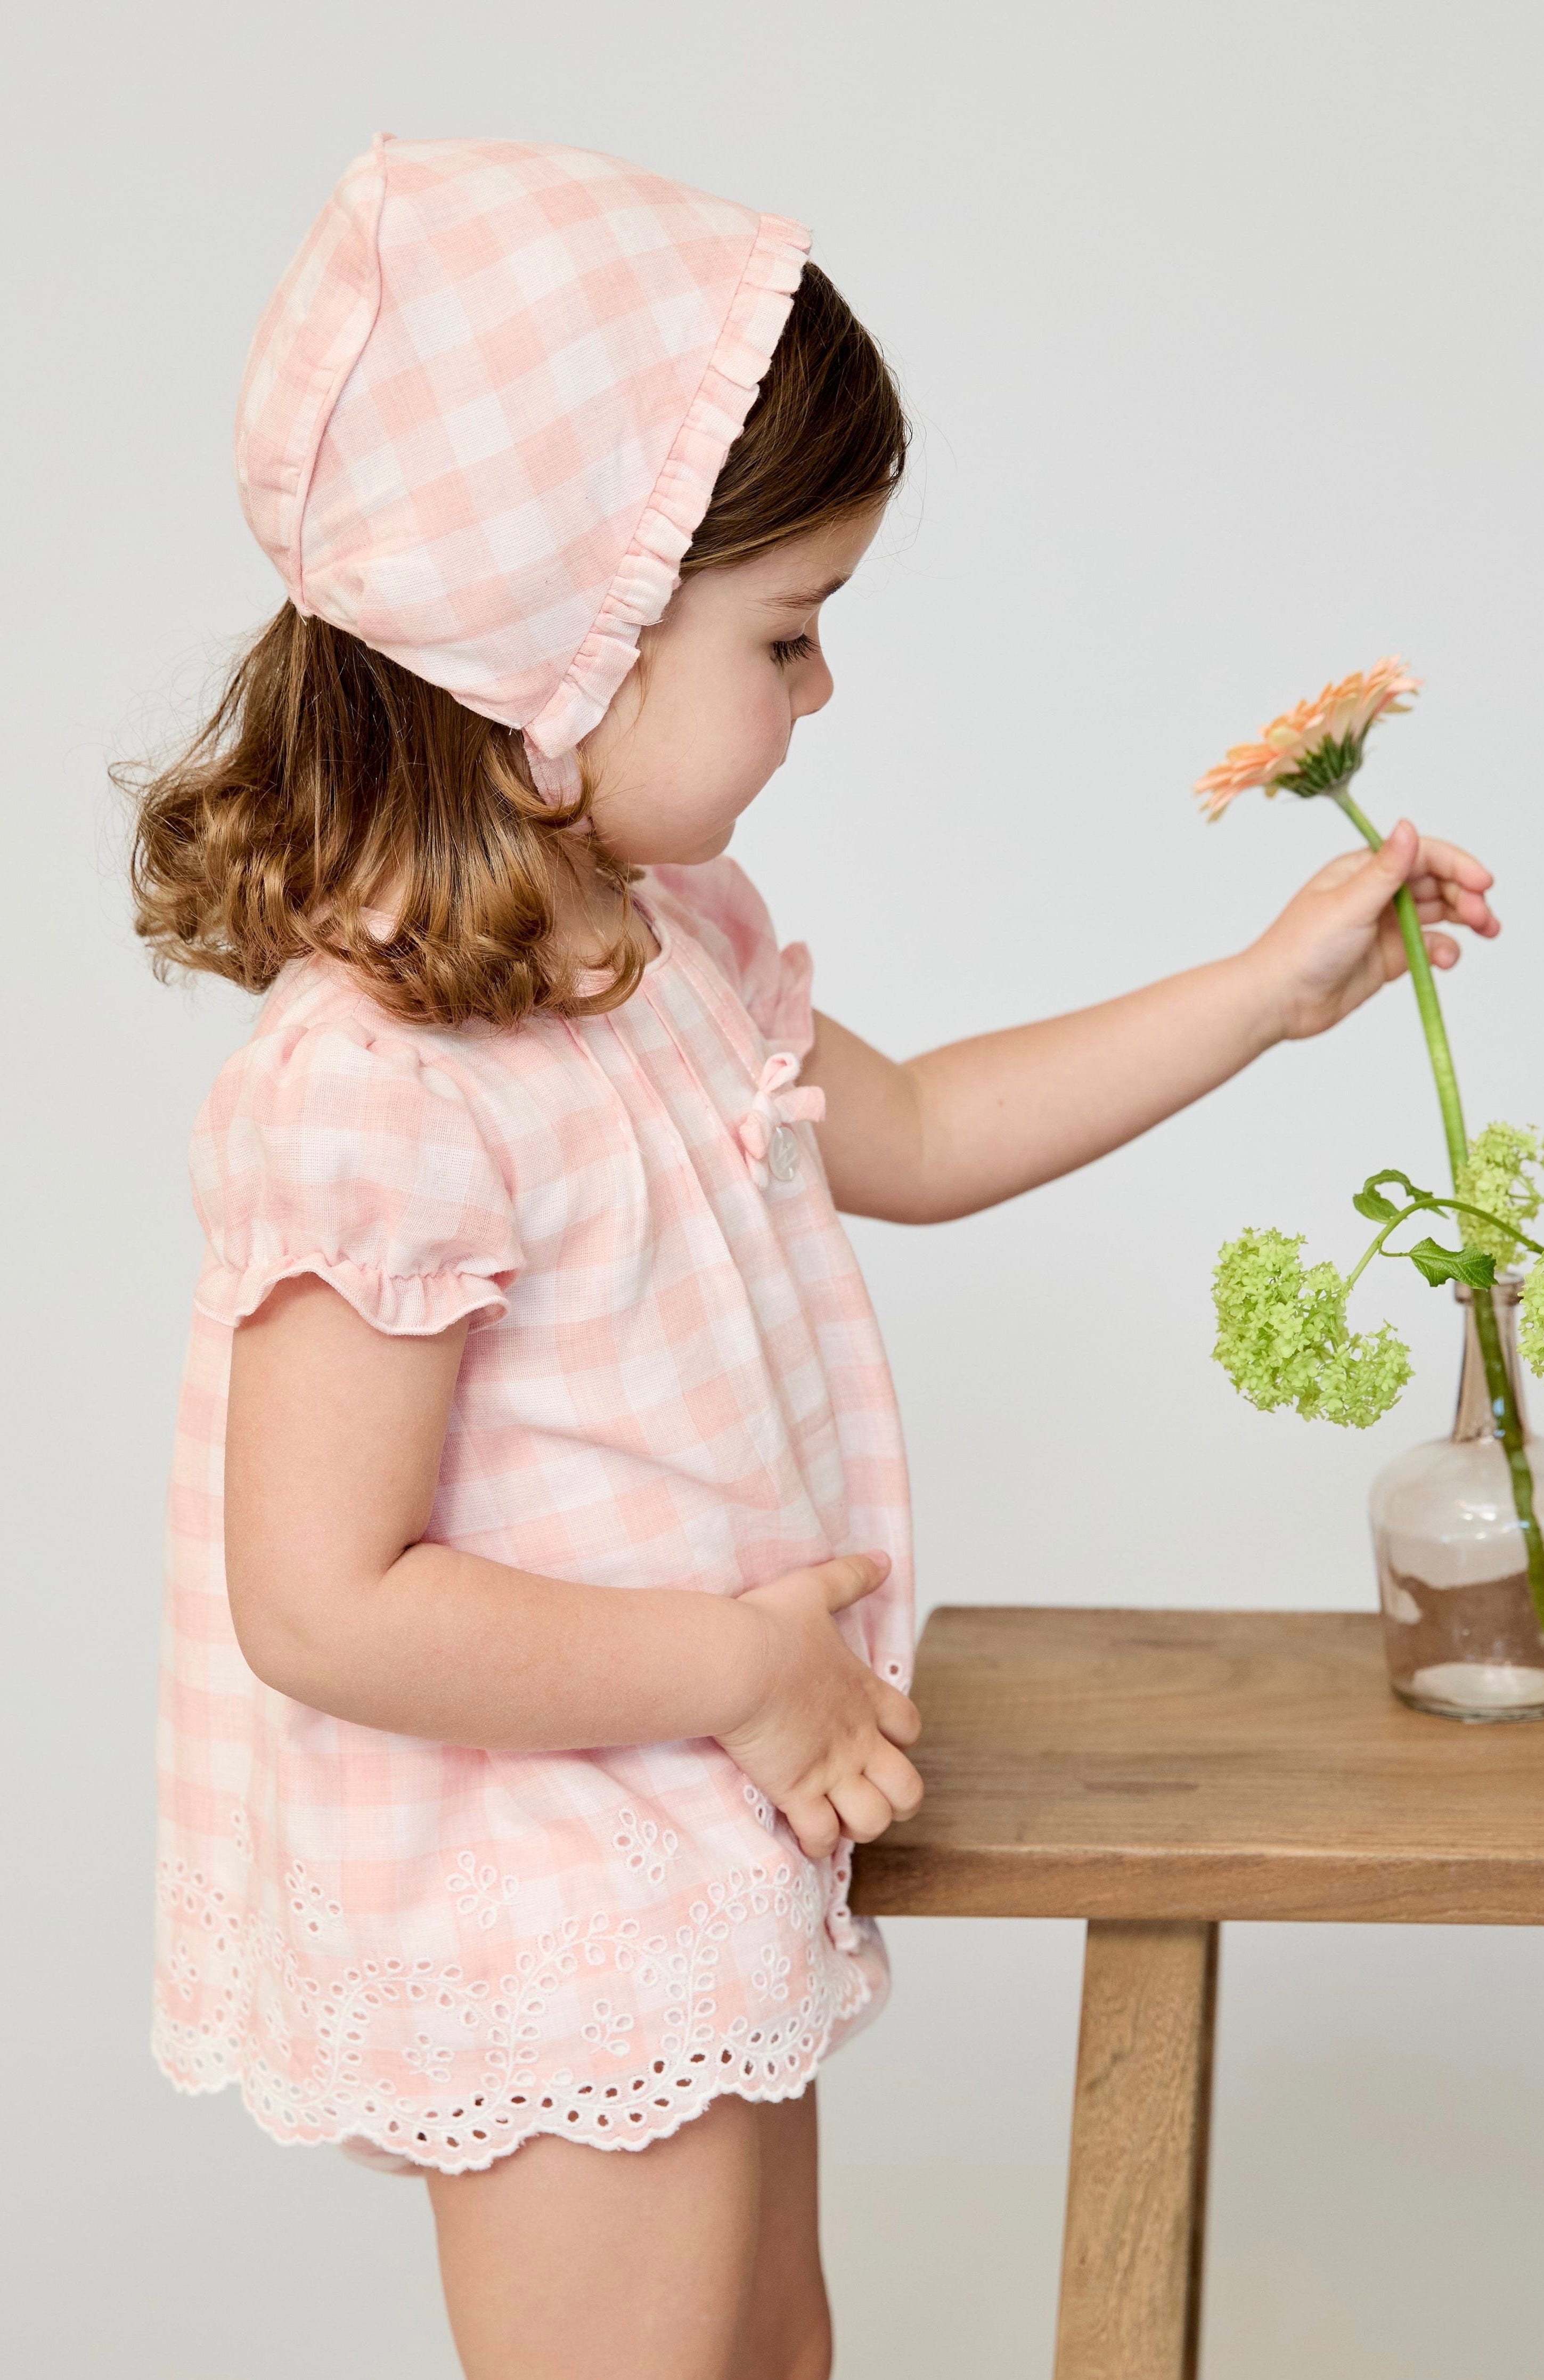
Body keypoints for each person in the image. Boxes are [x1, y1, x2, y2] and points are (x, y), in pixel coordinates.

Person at [132, 135, 1499, 2380]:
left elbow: (933, 1126)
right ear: (551, 641)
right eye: (785, 634)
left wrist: (1263, 990)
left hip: (690, 1851)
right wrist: (739, 1670)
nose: (824, 689)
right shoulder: (384, 1079)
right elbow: (322, 1594)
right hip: (553, 1896)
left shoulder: (661, 956)